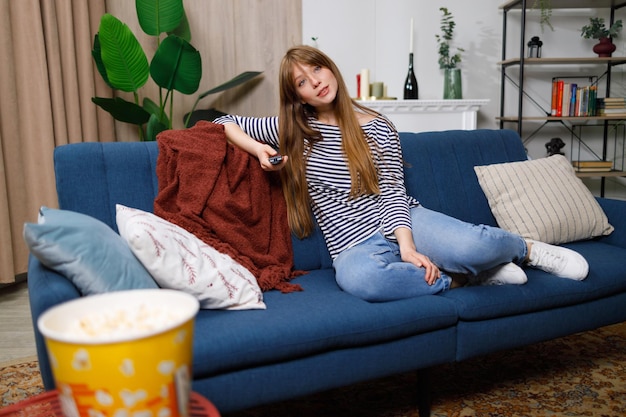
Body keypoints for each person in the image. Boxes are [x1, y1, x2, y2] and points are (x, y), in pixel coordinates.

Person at [213, 45, 589, 302]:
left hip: (404, 220)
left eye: (317, 68)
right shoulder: (293, 130)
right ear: (298, 96)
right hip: (352, 244)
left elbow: (393, 191)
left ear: (330, 68)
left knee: (476, 244)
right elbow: (220, 122)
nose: (315, 81)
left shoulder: (377, 125)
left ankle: (527, 250)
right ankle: (466, 276)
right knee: (363, 281)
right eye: (301, 81)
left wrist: (407, 247)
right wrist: (259, 148)